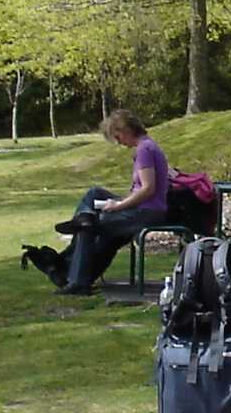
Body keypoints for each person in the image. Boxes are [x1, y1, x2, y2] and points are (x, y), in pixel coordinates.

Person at [50, 111, 173, 293]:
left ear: (126, 130)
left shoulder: (144, 150)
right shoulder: (147, 146)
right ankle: (84, 218)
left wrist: (118, 206)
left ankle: (78, 282)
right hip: (144, 209)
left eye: (118, 136)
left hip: (147, 213)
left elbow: (148, 189)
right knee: (95, 193)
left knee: (87, 227)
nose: (119, 142)